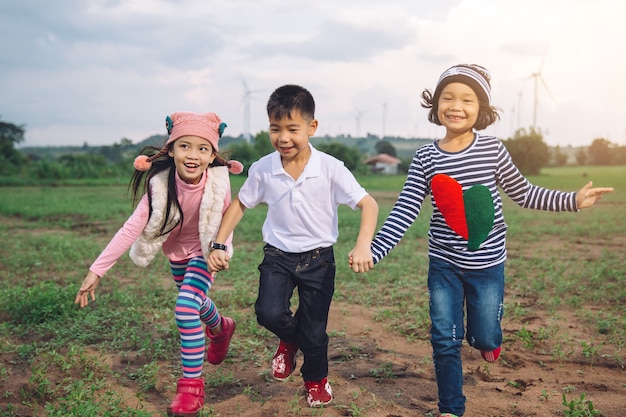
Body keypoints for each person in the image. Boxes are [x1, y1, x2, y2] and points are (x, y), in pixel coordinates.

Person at [368, 64, 614, 417]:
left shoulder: (493, 151)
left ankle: (488, 340)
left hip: (487, 265)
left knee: (483, 336)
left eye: (467, 99)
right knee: (444, 338)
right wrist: (375, 251)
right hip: (444, 265)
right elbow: (405, 210)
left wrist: (572, 200)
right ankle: (451, 407)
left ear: (481, 109)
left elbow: (525, 193)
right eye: (448, 97)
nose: (456, 105)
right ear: (436, 104)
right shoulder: (425, 157)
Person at [207, 84, 379, 408]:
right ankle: (288, 339)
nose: (283, 138)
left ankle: (316, 380)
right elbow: (240, 205)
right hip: (278, 256)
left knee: (315, 333)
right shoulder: (263, 169)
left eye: (292, 129)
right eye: (275, 129)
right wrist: (219, 243)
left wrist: (363, 244)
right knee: (267, 312)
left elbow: (368, 204)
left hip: (319, 261)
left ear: (312, 128)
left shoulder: (330, 168)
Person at [74, 111, 244, 417]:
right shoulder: (159, 184)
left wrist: (221, 249)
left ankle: (191, 388)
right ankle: (220, 328)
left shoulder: (219, 182)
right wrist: (97, 269)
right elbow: (131, 227)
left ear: (212, 155)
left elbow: (226, 220)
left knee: (184, 307)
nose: (193, 155)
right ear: (172, 149)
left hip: (205, 253)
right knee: (195, 301)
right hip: (177, 254)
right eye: (185, 146)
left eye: (202, 149)